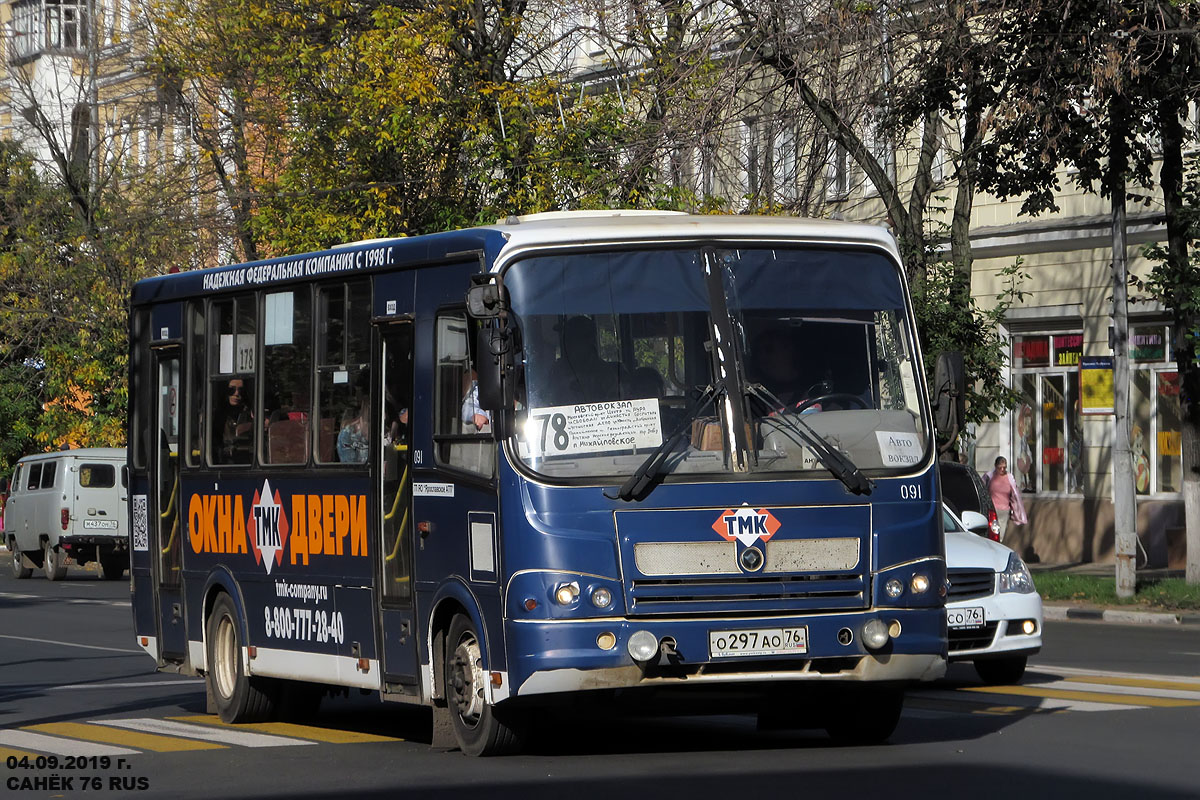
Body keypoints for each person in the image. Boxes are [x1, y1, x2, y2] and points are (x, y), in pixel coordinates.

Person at [548, 316, 628, 403]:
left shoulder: (605, 373)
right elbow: (546, 400)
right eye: (566, 339)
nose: (567, 343)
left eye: (572, 338)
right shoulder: (557, 371)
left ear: (588, 341)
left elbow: (615, 404)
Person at [984, 456, 1027, 543]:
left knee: (1001, 536)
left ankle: (999, 551)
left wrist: (1016, 509)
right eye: (1000, 467)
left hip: (1004, 510)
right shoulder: (989, 476)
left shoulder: (1009, 477)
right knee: (992, 534)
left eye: (1004, 467)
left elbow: (1015, 494)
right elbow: (981, 488)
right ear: (995, 466)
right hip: (992, 510)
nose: (1002, 469)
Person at [216, 377, 254, 464]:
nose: (236, 393)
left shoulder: (251, 415)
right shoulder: (216, 417)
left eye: (240, 390)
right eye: (231, 390)